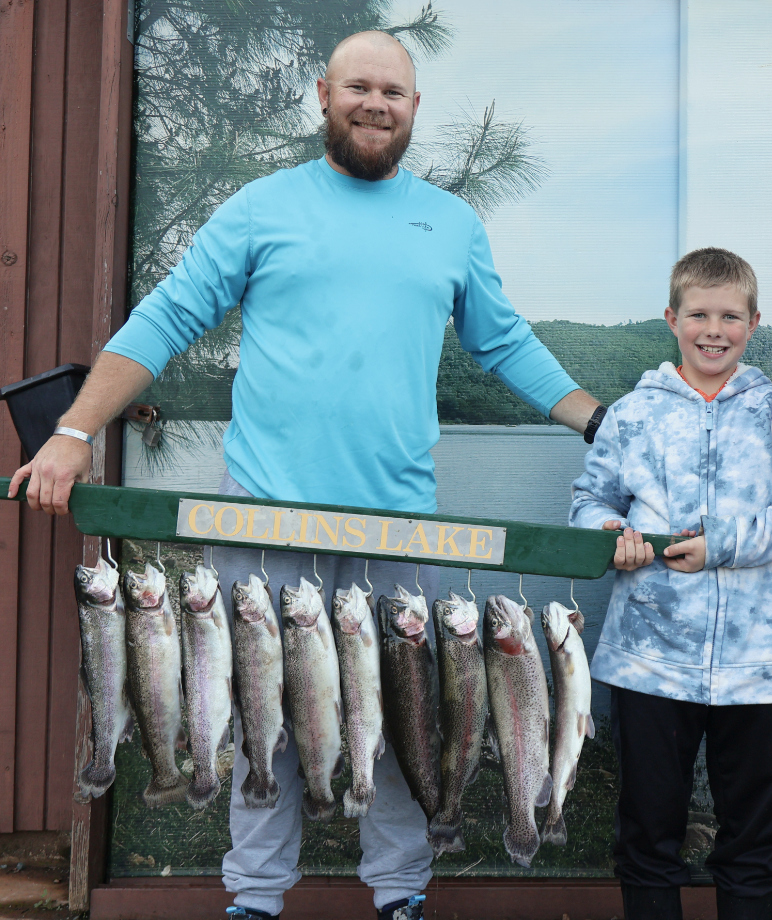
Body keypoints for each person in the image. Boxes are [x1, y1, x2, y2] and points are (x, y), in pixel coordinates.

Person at [11, 31, 605, 920]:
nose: (376, 104)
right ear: (323, 94)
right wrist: (72, 429)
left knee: (400, 719)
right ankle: (255, 896)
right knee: (263, 718)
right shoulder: (261, 207)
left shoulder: (450, 222)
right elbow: (164, 321)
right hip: (264, 521)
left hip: (399, 526)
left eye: (394, 93)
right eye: (359, 87)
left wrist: (600, 420)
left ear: (414, 110)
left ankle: (400, 891)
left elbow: (504, 342)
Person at [569, 248, 772, 920]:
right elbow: (588, 502)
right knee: (646, 838)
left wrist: (722, 544)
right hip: (648, 664)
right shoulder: (633, 413)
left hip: (762, 671)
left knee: (751, 848)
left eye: (729, 316)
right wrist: (611, 537)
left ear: (753, 324)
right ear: (672, 318)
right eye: (698, 314)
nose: (712, 330)